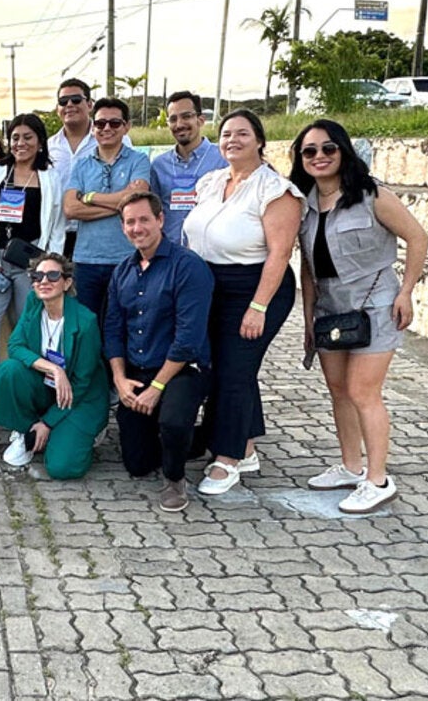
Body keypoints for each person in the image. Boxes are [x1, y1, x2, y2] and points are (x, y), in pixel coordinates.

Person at [291, 119, 428, 513]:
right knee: (338, 390)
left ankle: (378, 478)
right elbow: (308, 267)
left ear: (344, 151)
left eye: (328, 148)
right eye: (310, 151)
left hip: (375, 303)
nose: (319, 156)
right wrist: (308, 319)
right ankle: (351, 466)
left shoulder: (371, 195)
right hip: (331, 306)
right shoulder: (306, 205)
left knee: (362, 391)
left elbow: (418, 237)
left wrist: (406, 292)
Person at [183, 108, 303, 496]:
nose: (232, 140)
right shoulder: (211, 181)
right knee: (223, 366)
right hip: (211, 286)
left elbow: (280, 253)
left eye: (242, 134)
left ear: (260, 141)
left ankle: (228, 458)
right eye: (226, 134)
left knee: (234, 372)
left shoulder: (275, 190)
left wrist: (258, 306)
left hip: (254, 287)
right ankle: (247, 445)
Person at [104, 193, 215, 512]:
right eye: (129, 222)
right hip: (138, 370)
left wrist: (157, 388)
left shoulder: (188, 266)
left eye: (144, 219)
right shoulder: (122, 271)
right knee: (138, 464)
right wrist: (120, 380)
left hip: (182, 370)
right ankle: (178, 437)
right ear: (123, 227)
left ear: (160, 220)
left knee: (174, 422)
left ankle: (175, 478)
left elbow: (188, 338)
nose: (137, 228)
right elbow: (113, 329)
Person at [0, 253, 108, 480]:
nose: (44, 281)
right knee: (9, 370)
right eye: (37, 276)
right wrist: (54, 369)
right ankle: (26, 431)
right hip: (50, 384)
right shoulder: (34, 303)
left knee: (63, 468)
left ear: (67, 282)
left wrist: (47, 423)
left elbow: (82, 382)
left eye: (53, 275)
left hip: (80, 396)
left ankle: (86, 432)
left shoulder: (85, 321)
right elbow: (15, 345)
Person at [0, 114, 66, 400]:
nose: (20, 143)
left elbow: (58, 225)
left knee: (31, 334)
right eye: (15, 137)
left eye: (27, 137)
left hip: (32, 265)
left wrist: (50, 267)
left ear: (39, 142)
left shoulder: (50, 176)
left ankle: (29, 393)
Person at [62, 97, 153, 320]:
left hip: (127, 257)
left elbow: (137, 200)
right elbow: (71, 209)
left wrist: (90, 197)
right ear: (94, 128)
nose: (106, 129)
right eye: (100, 124)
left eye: (114, 123)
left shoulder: (139, 161)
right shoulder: (81, 165)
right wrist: (121, 206)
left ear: (126, 127)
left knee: (127, 324)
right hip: (86, 261)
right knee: (87, 327)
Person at [149, 91, 228, 247]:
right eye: (173, 119)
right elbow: (153, 212)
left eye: (186, 116)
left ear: (200, 120)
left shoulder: (223, 159)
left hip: (212, 254)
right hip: (170, 255)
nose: (179, 124)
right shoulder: (159, 165)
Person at [47, 78, 97, 257]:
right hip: (58, 236)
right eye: (63, 101)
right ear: (57, 109)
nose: (69, 105)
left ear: (90, 104)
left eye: (76, 100)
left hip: (98, 231)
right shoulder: (48, 147)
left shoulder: (111, 140)